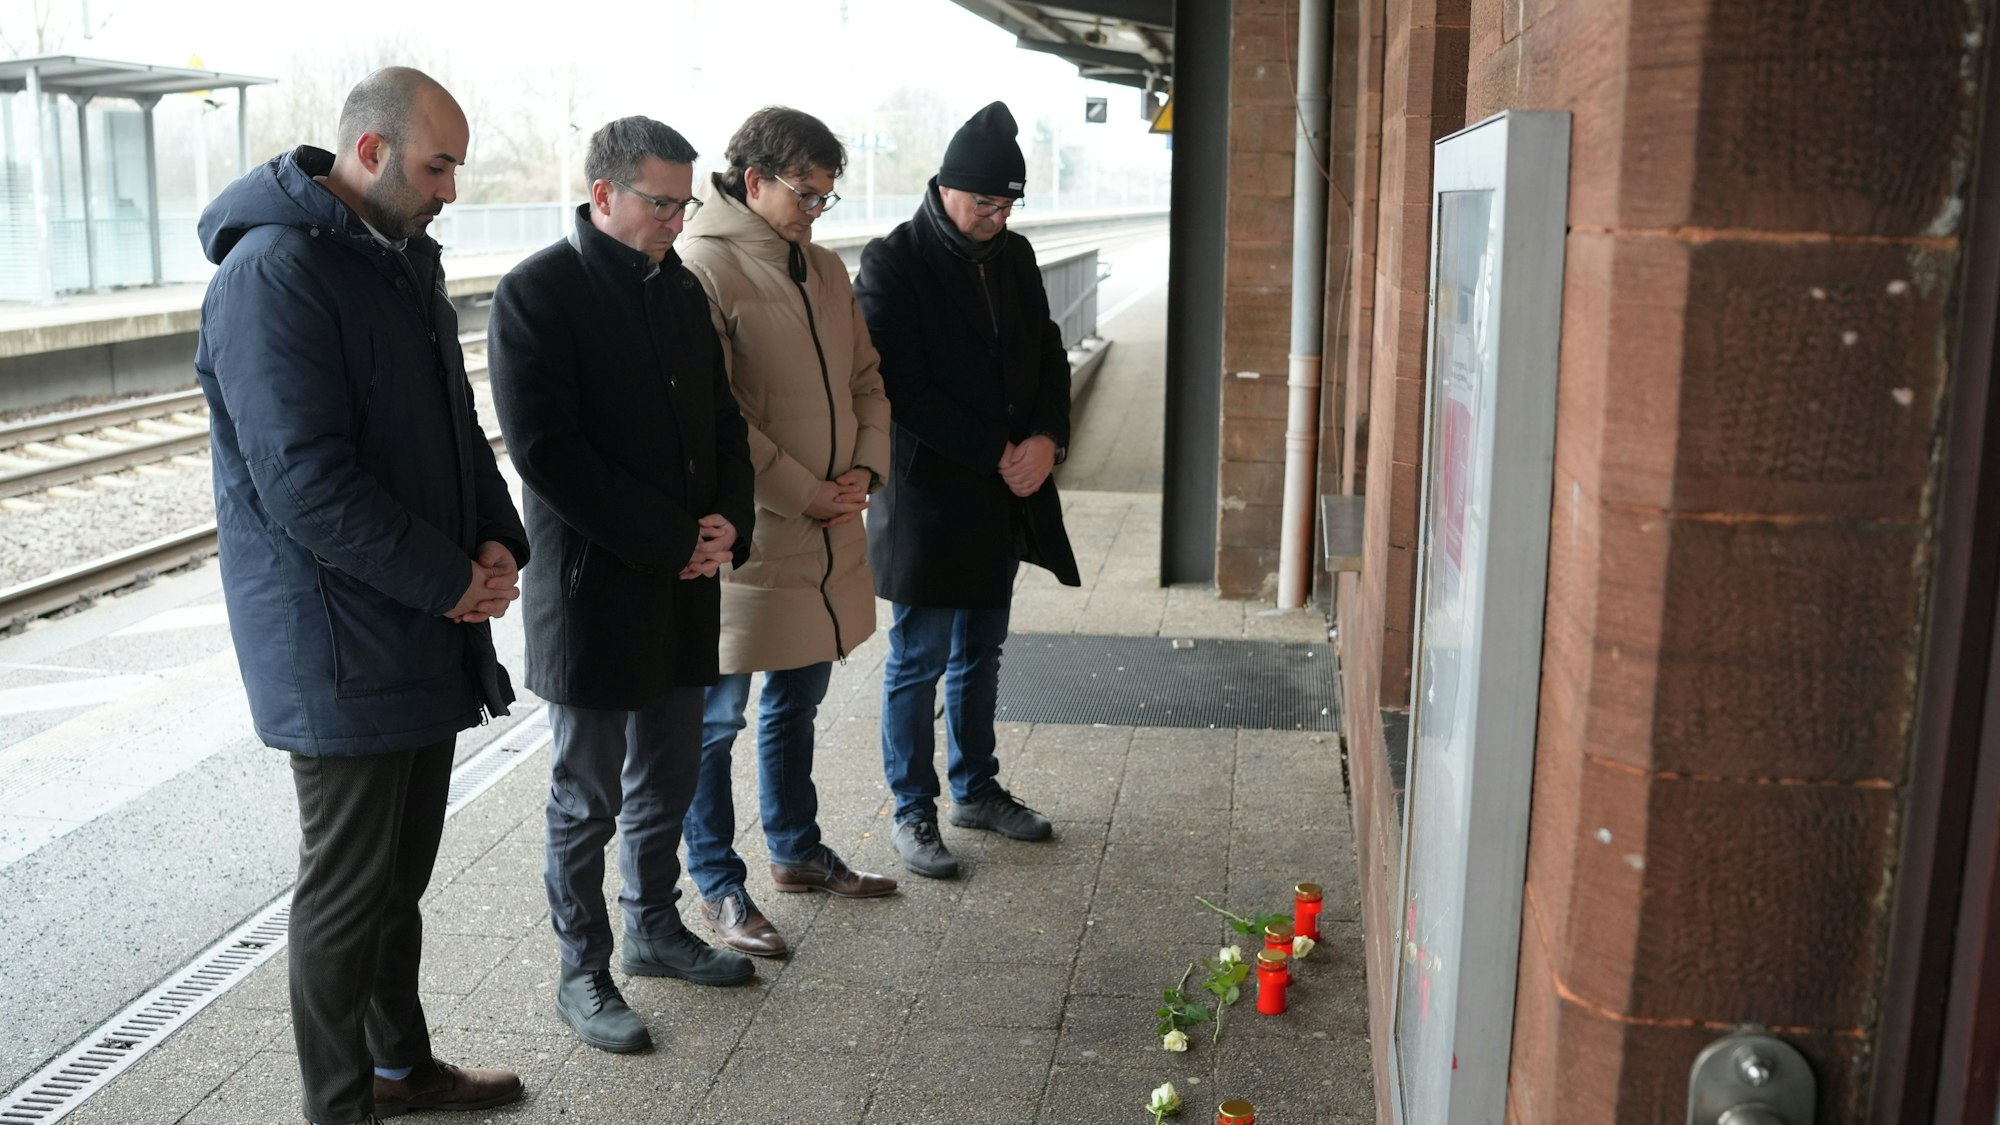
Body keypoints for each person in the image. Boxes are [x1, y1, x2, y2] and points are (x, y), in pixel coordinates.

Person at [193, 67, 525, 1125]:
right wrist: (448, 583)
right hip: (339, 636)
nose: (451, 192)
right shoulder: (274, 274)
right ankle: (339, 1108)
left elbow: (454, 425)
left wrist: (495, 543)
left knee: (396, 881)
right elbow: (304, 484)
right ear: (371, 152)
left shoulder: (394, 263)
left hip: (420, 619)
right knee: (345, 894)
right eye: (439, 166)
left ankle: (401, 1068)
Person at [486, 116, 758, 1055]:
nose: (678, 220)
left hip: (683, 583)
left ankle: (653, 929)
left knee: (670, 775)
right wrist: (673, 538)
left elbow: (726, 420)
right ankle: (583, 969)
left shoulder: (677, 287)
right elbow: (548, 454)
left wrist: (729, 523)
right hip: (596, 590)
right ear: (603, 194)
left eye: (686, 203)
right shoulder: (535, 294)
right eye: (661, 202)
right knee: (586, 794)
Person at [675, 106, 898, 957]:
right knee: (716, 717)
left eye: (826, 197)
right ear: (754, 178)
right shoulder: (704, 268)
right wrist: (808, 491)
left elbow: (869, 378)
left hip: (832, 529)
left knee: (798, 701)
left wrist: (864, 473)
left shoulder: (826, 266)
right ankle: (718, 885)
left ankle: (797, 851)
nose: (815, 210)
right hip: (758, 537)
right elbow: (718, 416)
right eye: (806, 193)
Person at [854, 101, 1082, 880]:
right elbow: (901, 387)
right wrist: (999, 451)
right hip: (928, 498)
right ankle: (911, 807)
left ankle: (975, 787)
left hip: (1003, 492)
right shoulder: (892, 262)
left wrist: (1049, 441)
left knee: (981, 650)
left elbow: (1049, 353)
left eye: (1009, 203)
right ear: (947, 187)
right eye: (985, 201)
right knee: (917, 656)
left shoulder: (1013, 256)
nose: (997, 216)